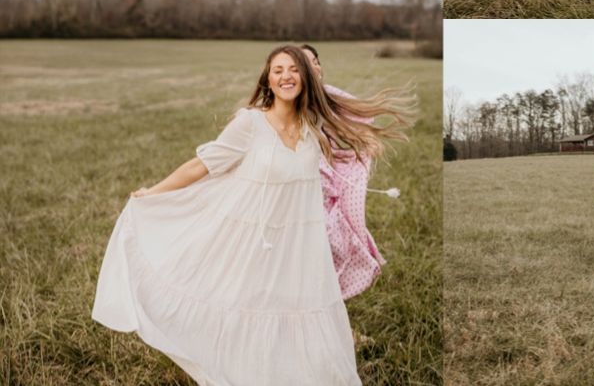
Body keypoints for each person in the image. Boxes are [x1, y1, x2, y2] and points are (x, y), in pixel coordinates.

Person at [92, 44, 414, 385]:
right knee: (249, 311)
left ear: (307, 78)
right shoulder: (250, 124)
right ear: (268, 79)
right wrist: (154, 192)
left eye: (294, 69)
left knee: (302, 316)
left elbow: (336, 104)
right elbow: (201, 164)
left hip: (300, 247)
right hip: (253, 243)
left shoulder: (312, 127)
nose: (286, 75)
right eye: (278, 70)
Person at [301, 43, 397, 299]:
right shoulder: (285, 103)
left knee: (331, 246)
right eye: (307, 61)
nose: (315, 65)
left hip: (322, 186)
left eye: (316, 60)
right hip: (298, 187)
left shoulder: (324, 98)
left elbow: (360, 116)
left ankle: (327, 308)